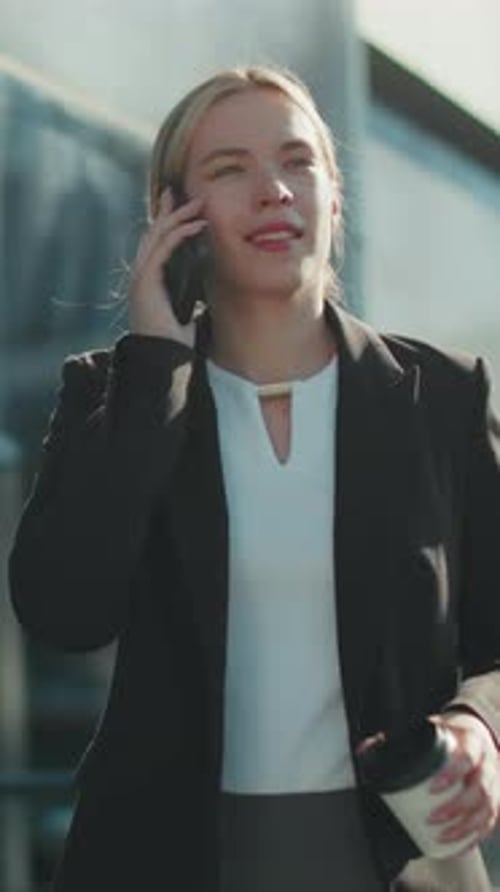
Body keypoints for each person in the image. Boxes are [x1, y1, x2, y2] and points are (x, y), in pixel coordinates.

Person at [8, 63, 500, 892]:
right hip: (171, 856)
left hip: (398, 856)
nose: (273, 189)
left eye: (298, 161)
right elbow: (63, 612)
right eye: (230, 170)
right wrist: (155, 363)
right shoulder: (113, 394)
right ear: (175, 216)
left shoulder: (442, 398)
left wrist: (481, 729)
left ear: (334, 195)